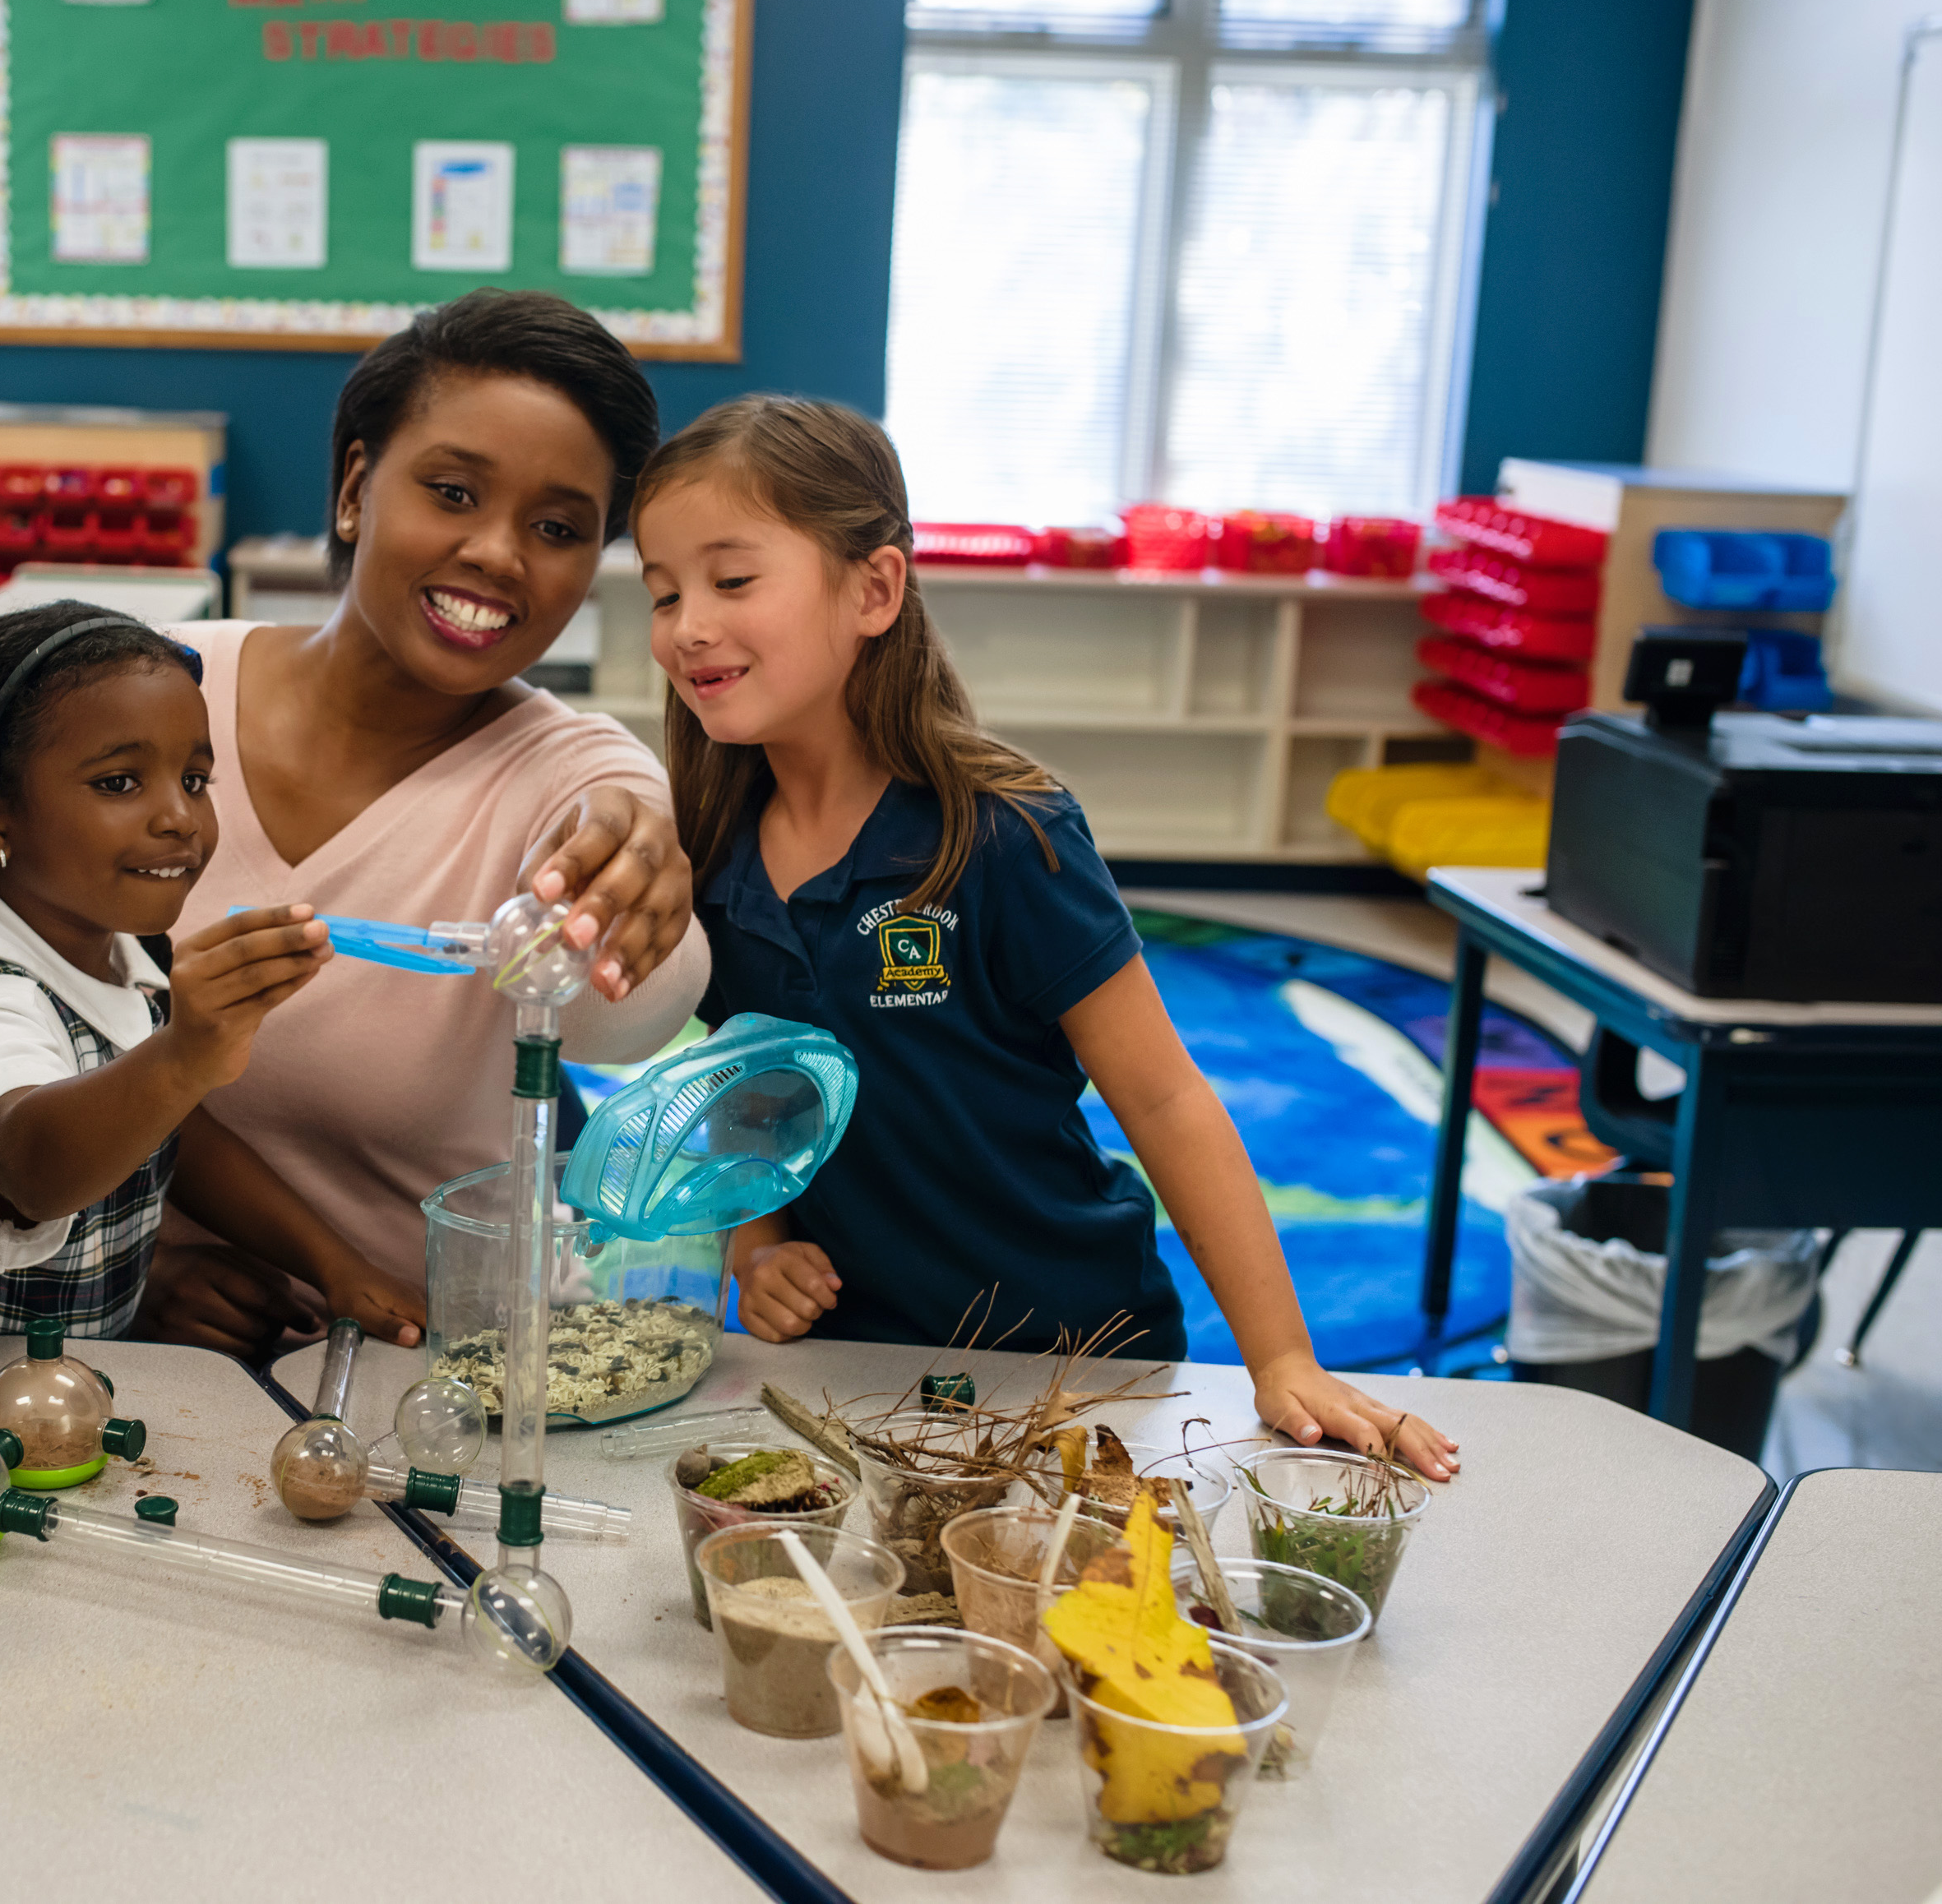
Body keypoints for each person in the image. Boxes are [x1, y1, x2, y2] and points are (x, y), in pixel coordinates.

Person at [637, 393, 1457, 1478]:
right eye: (663, 592)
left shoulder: (1006, 832)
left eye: (733, 581)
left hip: (1073, 1353)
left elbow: (1164, 1098)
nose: (687, 625)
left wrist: (1283, 1358)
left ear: (874, 589)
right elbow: (753, 1081)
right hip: (859, 1363)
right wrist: (760, 1241)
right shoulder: (711, 849)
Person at [150, 289, 710, 1356]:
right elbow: (14, 1034)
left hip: (458, 1363)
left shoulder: (575, 771)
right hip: (158, 1359)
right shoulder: (148, 695)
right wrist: (141, 1269)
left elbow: (633, 1009)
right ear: (354, 488)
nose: (499, 552)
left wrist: (632, 877)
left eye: (558, 529)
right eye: (453, 492)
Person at [0, 601, 426, 1348]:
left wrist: (335, 1265)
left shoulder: (106, 942)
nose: (180, 816)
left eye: (195, 779)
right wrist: (185, 1056)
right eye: (120, 783)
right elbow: (32, 1168)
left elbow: (168, 1128)